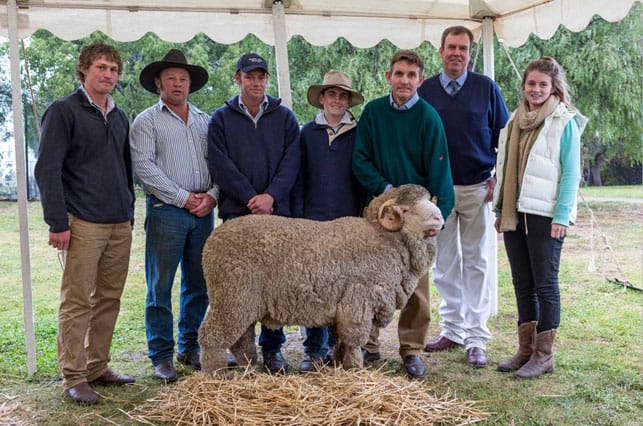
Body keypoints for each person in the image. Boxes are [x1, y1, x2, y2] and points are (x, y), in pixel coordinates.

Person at [34, 42, 136, 405]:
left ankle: (97, 366)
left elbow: (126, 171)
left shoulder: (120, 116)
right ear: (84, 70)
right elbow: (46, 169)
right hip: (83, 223)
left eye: (113, 69)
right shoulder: (63, 111)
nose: (108, 74)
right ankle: (74, 376)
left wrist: (130, 212)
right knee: (77, 301)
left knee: (109, 298)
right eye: (101, 67)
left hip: (118, 223)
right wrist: (57, 222)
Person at [352, 50, 455, 379]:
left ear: (420, 80)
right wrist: (388, 191)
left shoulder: (428, 117)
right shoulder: (373, 113)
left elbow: (440, 169)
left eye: (411, 75)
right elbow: (360, 160)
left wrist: (436, 215)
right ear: (388, 77)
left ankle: (412, 349)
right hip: (379, 212)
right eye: (399, 74)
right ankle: (367, 344)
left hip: (416, 217)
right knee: (369, 281)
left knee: (416, 285)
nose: (404, 80)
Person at [418, 26, 509, 368]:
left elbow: (504, 136)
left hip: (477, 189)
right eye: (451, 47)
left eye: (463, 48)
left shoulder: (485, 88)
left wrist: (497, 178)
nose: (457, 53)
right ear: (440, 52)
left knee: (477, 263)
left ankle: (476, 336)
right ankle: (452, 329)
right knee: (444, 264)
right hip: (439, 192)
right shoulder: (425, 91)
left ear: (470, 53)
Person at [207, 52, 300, 374]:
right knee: (239, 287)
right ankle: (241, 349)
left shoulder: (284, 117)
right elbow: (220, 164)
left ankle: (273, 350)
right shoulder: (221, 119)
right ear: (238, 79)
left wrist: (271, 196)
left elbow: (292, 162)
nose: (256, 82)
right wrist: (250, 197)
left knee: (276, 287)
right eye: (249, 76)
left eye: (261, 76)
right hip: (239, 214)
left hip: (277, 216)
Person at [493, 56, 586, 379]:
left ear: (553, 88)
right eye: (531, 84)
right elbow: (505, 169)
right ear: (524, 86)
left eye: (542, 85)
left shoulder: (565, 122)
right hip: (515, 213)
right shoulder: (514, 121)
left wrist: (562, 215)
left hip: (547, 215)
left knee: (545, 284)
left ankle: (544, 355)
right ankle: (525, 350)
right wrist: (498, 208)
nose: (536, 89)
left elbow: (572, 173)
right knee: (522, 283)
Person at [130, 49, 219, 382]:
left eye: (183, 78)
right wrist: (184, 199)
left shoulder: (204, 120)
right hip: (167, 211)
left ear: (190, 84)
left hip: (203, 214)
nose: (178, 83)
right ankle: (162, 356)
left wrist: (211, 197)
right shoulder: (146, 121)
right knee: (160, 285)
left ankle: (190, 346)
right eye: (171, 78)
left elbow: (219, 162)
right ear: (158, 83)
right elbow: (145, 169)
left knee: (198, 284)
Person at [291, 70, 366, 373]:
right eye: (331, 94)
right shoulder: (306, 132)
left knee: (346, 288)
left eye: (343, 95)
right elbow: (298, 178)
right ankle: (314, 350)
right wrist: (298, 219)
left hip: (348, 223)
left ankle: (344, 348)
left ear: (349, 100)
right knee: (315, 287)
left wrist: (362, 218)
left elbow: (362, 178)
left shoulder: (359, 132)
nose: (337, 100)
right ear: (321, 98)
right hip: (314, 223)